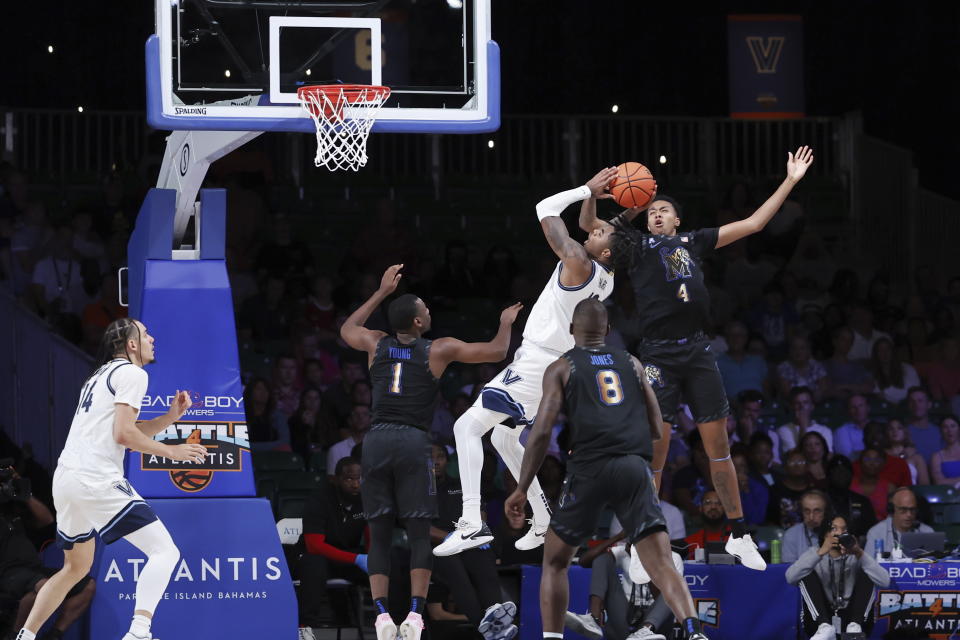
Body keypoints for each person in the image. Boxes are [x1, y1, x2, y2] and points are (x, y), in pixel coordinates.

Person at [600, 147, 815, 571]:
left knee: (720, 449)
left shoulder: (693, 241)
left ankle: (739, 535)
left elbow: (754, 224)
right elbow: (595, 229)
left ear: (678, 219)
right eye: (652, 212)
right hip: (658, 353)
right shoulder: (637, 246)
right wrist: (626, 204)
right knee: (656, 455)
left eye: (663, 210)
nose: (657, 214)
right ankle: (645, 538)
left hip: (697, 349)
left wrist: (790, 180)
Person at [436, 169, 621, 557]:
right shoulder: (607, 273)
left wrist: (586, 189)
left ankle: (471, 522)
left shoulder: (578, 262)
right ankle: (542, 517)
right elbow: (589, 223)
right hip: (556, 365)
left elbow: (545, 208)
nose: (594, 230)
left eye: (602, 233)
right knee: (504, 437)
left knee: (466, 426)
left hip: (539, 362)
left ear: (604, 250)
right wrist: (595, 195)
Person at [505, 299, 709, 640]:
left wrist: (522, 487)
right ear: (608, 331)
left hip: (589, 467)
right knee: (661, 561)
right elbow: (658, 427)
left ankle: (552, 637)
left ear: (572, 331)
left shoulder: (561, 366)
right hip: (633, 466)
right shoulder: (631, 363)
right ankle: (693, 630)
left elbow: (541, 433)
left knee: (555, 561)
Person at [339, 264, 522, 640]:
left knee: (380, 530)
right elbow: (498, 351)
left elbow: (345, 330)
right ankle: (416, 616)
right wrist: (505, 321)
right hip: (411, 440)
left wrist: (380, 292)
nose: (429, 310)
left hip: (375, 440)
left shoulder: (376, 342)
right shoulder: (438, 349)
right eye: (425, 307)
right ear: (420, 321)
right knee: (420, 534)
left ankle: (381, 616)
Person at [14, 318, 207, 640]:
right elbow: (124, 433)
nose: (152, 338)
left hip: (67, 480)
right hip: (94, 477)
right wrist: (172, 453)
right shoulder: (133, 373)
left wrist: (169, 418)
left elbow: (120, 434)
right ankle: (139, 633)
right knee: (165, 552)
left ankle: (26, 636)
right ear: (132, 345)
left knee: (74, 569)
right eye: (145, 334)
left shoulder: (100, 375)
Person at [428, 444, 517, 640]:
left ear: (447, 461)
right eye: (430, 456)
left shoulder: (460, 485)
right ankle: (487, 628)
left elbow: (479, 513)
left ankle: (494, 612)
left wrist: (478, 531)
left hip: (466, 541)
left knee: (484, 559)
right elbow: (417, 526)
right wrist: (447, 537)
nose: (436, 460)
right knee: (457, 572)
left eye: (440, 456)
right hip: (436, 548)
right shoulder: (416, 489)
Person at [0, 468, 95, 640]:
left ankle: (54, 635)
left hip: (33, 570)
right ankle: (16, 636)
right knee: (44, 587)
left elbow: (47, 521)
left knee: (87, 585)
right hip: (7, 572)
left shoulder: (14, 511)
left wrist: (24, 494)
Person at [785, 514, 890, 640]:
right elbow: (790, 577)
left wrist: (858, 552)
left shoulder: (857, 556)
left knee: (868, 573)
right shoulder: (814, 553)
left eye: (844, 529)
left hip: (853, 620)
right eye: (834, 529)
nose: (839, 533)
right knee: (806, 573)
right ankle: (824, 627)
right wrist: (820, 552)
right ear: (825, 534)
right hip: (820, 621)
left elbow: (885, 581)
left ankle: (855, 626)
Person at [565, 532, 681, 640]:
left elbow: (664, 598)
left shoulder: (673, 557)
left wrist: (646, 561)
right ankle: (593, 619)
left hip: (655, 625)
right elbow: (584, 561)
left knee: (673, 590)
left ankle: (646, 630)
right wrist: (618, 537)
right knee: (602, 558)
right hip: (624, 617)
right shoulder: (624, 552)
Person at [299, 457, 368, 632]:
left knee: (392, 559)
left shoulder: (368, 499)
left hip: (346, 557)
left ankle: (397, 623)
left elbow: (372, 537)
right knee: (314, 562)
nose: (355, 484)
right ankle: (306, 628)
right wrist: (356, 559)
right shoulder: (319, 500)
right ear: (335, 479)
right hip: (319, 558)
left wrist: (372, 558)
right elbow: (314, 545)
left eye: (359, 478)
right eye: (349, 479)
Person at [865, 487, 934, 558]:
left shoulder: (927, 531)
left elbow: (937, 563)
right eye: (903, 509)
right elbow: (867, 565)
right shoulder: (876, 532)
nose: (909, 514)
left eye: (912, 509)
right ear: (891, 510)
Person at [824, 456, 876, 540]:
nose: (841, 475)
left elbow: (872, 532)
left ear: (851, 475)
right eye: (837, 472)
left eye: (845, 472)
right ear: (829, 475)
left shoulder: (863, 502)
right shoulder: (820, 501)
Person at [715, 320, 768, 400]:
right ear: (726, 339)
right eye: (731, 335)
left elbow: (767, 390)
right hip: (730, 410)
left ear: (746, 338)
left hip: (758, 408)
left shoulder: (758, 361)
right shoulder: (717, 362)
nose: (735, 339)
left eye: (739, 335)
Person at [776, 386, 833, 458]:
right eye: (797, 403)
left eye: (805, 402)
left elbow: (828, 457)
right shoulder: (784, 430)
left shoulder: (825, 430)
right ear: (792, 407)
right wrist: (803, 426)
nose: (801, 406)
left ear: (812, 406)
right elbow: (795, 458)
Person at [766, 449, 814, 529]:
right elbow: (769, 521)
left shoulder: (814, 492)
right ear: (785, 466)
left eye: (800, 462)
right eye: (792, 462)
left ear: (807, 467)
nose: (797, 465)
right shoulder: (774, 490)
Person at [776, 335, 829, 402]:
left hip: (815, 405)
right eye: (794, 348)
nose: (798, 352)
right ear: (790, 351)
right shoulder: (783, 368)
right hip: (791, 407)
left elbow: (824, 389)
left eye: (802, 348)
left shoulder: (817, 366)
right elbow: (787, 393)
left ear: (808, 351)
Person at [781, 490, 829, 563]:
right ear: (802, 512)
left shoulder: (836, 532)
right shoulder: (791, 535)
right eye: (807, 511)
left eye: (817, 511)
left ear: (825, 512)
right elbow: (789, 570)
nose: (811, 517)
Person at [326, 405, 371, 481]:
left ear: (371, 420)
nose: (360, 417)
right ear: (349, 420)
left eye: (365, 414)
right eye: (356, 414)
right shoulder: (336, 450)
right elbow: (332, 480)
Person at [870, 337, 920, 404]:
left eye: (887, 349)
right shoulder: (872, 374)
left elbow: (916, 392)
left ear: (893, 351)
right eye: (880, 350)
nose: (884, 353)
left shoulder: (908, 369)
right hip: (887, 409)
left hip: (909, 407)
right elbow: (879, 396)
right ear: (876, 354)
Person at [683, 490, 730, 559]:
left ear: (725, 508)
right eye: (708, 503)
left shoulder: (738, 538)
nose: (713, 507)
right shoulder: (690, 542)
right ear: (700, 508)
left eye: (719, 503)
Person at [851, 448, 894, 520]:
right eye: (867, 459)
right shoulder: (850, 486)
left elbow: (894, 516)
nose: (872, 463)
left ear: (883, 464)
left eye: (877, 460)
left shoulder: (890, 488)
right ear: (860, 462)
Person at [885, 419, 930, 485]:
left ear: (905, 432)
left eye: (899, 428)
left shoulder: (916, 457)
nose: (895, 431)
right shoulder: (882, 455)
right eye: (891, 428)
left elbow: (925, 485)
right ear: (887, 433)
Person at [904, 387, 941, 466]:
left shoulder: (940, 431)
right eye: (912, 401)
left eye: (920, 401)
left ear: (929, 404)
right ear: (908, 405)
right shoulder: (903, 432)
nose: (916, 405)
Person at [833, 394, 870, 460]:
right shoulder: (841, 431)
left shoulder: (878, 428)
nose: (858, 410)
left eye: (861, 405)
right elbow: (846, 457)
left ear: (867, 407)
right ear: (848, 411)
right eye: (853, 407)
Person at [930, 415, 960, 487]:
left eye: (953, 426)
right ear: (941, 431)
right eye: (945, 427)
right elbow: (939, 482)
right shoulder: (936, 457)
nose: (949, 430)